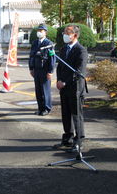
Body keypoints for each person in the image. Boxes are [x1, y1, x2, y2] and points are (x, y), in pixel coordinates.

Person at [55, 24, 88, 152]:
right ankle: (67, 138)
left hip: (75, 87)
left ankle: (78, 140)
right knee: (65, 114)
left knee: (76, 115)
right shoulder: (64, 49)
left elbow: (79, 71)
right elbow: (60, 67)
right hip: (63, 86)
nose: (65, 35)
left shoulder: (81, 50)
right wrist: (58, 80)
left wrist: (65, 82)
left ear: (74, 35)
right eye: (64, 32)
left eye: (67, 33)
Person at [29, 24, 56, 116]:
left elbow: (52, 58)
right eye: (38, 30)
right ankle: (40, 108)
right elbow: (31, 56)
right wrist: (31, 68)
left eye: (42, 31)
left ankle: (47, 108)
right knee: (38, 90)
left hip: (45, 70)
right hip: (36, 70)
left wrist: (50, 71)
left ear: (46, 32)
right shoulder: (35, 43)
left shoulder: (49, 44)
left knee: (45, 90)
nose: (39, 32)